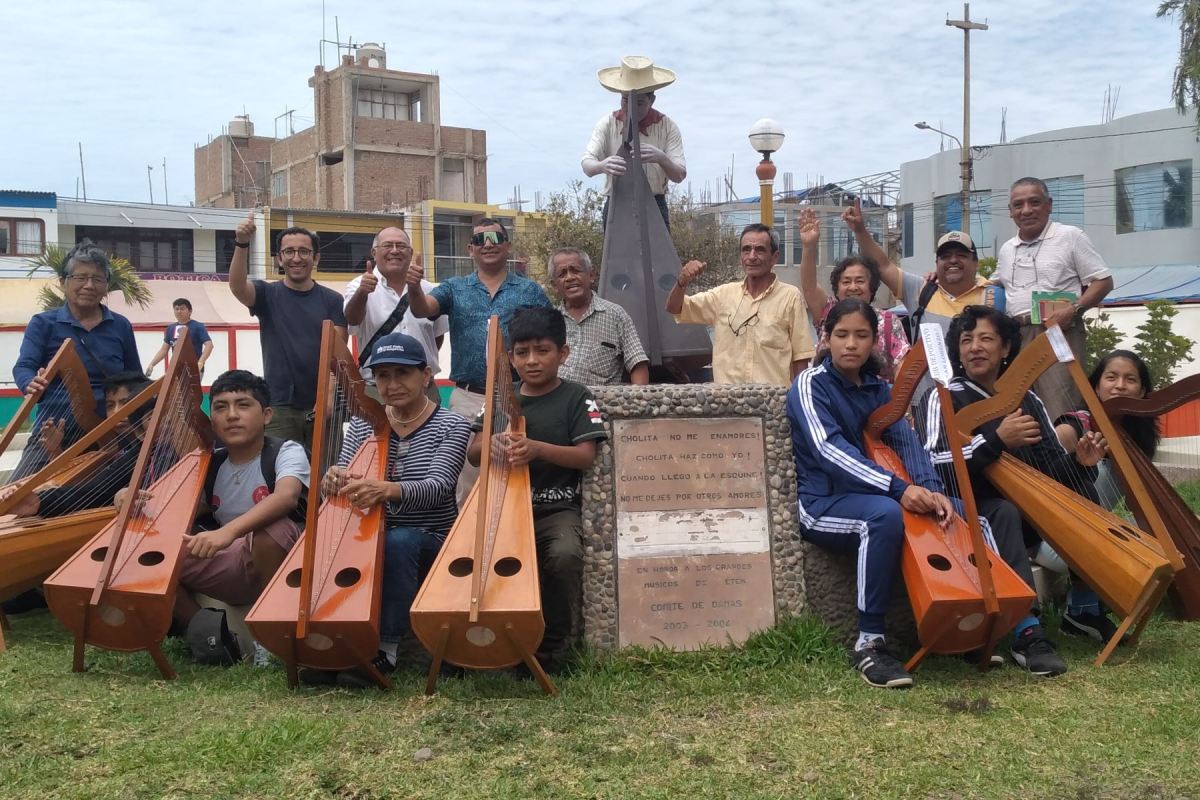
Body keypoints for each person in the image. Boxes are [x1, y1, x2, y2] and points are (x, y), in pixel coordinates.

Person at [919, 305, 1103, 668]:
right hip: (965, 512)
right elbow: (935, 466)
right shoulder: (942, 398)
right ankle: (1027, 630)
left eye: (986, 339)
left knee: (1081, 495)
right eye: (966, 340)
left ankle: (1085, 607)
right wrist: (996, 439)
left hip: (1024, 511)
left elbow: (1052, 468)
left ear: (1006, 349)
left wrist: (1080, 464)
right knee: (1003, 511)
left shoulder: (1027, 400)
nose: (974, 347)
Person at [786, 298, 956, 689]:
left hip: (879, 496)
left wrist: (931, 490)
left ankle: (990, 623)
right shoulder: (810, 385)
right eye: (841, 334)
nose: (851, 344)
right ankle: (869, 643)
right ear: (825, 338)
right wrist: (898, 489)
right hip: (823, 504)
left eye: (861, 335)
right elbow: (828, 451)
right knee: (882, 516)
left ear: (874, 342)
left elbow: (907, 442)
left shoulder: (881, 391)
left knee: (963, 511)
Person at [302, 333, 471, 688]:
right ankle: (334, 641)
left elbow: (437, 488)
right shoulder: (364, 424)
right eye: (382, 376)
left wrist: (386, 490)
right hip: (368, 533)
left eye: (402, 373)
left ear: (425, 376)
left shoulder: (452, 425)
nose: (391, 385)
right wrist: (333, 480)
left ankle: (386, 651)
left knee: (399, 541)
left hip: (431, 539)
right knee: (336, 540)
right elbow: (346, 476)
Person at [466, 307, 607, 672]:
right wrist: (492, 441)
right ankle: (490, 644)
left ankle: (552, 649)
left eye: (543, 351)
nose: (532, 361)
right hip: (503, 507)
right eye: (522, 352)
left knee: (563, 555)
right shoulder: (501, 395)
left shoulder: (576, 396)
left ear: (563, 354)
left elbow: (584, 456)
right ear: (510, 357)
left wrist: (538, 449)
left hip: (556, 510)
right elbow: (473, 453)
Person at [406, 218, 551, 502]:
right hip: (468, 396)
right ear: (470, 250)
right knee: (468, 482)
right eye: (479, 240)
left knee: (518, 475)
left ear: (507, 246)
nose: (487, 244)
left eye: (495, 239)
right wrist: (413, 287)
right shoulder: (453, 288)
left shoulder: (530, 291)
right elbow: (423, 309)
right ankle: (468, 544)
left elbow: (547, 337)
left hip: (519, 396)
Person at [169, 370, 309, 663]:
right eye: (221, 407)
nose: (232, 415)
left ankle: (272, 638)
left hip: (287, 560)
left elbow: (286, 497)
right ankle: (212, 637)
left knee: (272, 531)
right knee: (161, 554)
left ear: (267, 415)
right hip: (231, 560)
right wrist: (130, 497)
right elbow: (179, 509)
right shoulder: (212, 463)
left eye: (243, 405)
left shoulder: (286, 451)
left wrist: (227, 532)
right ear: (213, 419)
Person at [12, 239, 141, 479]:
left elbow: (135, 377)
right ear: (63, 282)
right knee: (16, 498)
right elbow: (24, 366)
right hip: (53, 431)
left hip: (109, 433)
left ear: (106, 286)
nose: (89, 285)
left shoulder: (120, 325)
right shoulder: (43, 323)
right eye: (80, 278)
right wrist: (29, 382)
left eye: (98, 279)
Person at [1053, 350, 1158, 643]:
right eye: (1111, 377)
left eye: (1130, 379)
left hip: (1098, 529)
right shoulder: (1072, 427)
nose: (1120, 385)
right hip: (1056, 535)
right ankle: (1083, 610)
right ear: (1096, 387)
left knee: (1160, 534)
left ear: (1143, 391)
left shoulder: (1136, 438)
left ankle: (1085, 609)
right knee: (1131, 540)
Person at [994, 177, 1113, 420]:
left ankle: (1067, 457)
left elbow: (1103, 282)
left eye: (1034, 202)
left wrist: (1075, 309)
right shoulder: (1007, 248)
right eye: (1018, 205)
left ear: (1049, 205)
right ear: (1010, 211)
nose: (1026, 210)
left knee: (1060, 407)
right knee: (1019, 410)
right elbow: (993, 283)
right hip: (1016, 335)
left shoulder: (1070, 236)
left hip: (1058, 332)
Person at [227, 211, 347, 448]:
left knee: (329, 476)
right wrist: (242, 243)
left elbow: (337, 356)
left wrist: (329, 396)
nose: (296, 258)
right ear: (279, 259)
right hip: (279, 405)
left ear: (316, 258)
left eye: (304, 251)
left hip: (323, 404)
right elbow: (238, 287)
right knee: (283, 474)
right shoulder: (267, 294)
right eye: (289, 252)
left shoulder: (333, 300)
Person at [666, 223, 813, 385]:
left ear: (774, 257)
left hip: (773, 404)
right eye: (746, 249)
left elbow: (801, 359)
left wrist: (799, 402)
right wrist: (682, 281)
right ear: (740, 256)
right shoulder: (723, 295)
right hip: (727, 402)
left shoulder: (790, 297)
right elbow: (674, 308)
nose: (752, 256)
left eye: (760, 250)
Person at [841, 199, 1005, 337]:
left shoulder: (995, 296)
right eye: (945, 256)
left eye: (961, 255)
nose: (953, 260)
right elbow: (882, 265)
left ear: (975, 262)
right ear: (936, 263)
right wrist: (860, 230)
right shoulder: (921, 290)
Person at [4, 371, 152, 519]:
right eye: (110, 405)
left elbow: (100, 489)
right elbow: (94, 488)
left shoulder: (143, 448)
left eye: (126, 403)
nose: (117, 412)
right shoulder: (120, 447)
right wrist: (55, 451)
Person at [796, 207, 909, 380]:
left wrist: (899, 404)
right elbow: (809, 287)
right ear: (837, 289)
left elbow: (902, 366)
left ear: (872, 287)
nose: (853, 287)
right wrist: (809, 246)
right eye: (846, 282)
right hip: (829, 400)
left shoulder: (888, 322)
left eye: (860, 281)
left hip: (875, 402)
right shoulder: (828, 313)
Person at [343, 226, 447, 404]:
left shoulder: (429, 289)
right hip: (377, 390)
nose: (394, 251)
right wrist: (362, 293)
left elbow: (437, 337)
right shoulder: (358, 286)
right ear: (374, 253)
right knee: (376, 433)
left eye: (401, 246)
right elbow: (352, 319)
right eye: (387, 245)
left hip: (424, 388)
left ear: (411, 252)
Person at [582, 56, 685, 228]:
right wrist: (602, 165)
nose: (630, 108)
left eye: (639, 103)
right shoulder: (607, 123)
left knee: (660, 254)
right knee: (615, 255)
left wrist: (661, 158)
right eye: (625, 100)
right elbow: (587, 165)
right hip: (617, 203)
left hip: (654, 202)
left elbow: (679, 174)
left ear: (652, 101)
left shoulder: (667, 126)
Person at [550, 247, 649, 386]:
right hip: (559, 402)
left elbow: (637, 363)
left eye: (576, 270)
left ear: (591, 275)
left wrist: (638, 402)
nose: (570, 277)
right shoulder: (549, 320)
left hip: (601, 403)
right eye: (562, 274)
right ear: (554, 285)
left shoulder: (615, 315)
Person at [145, 298, 213, 377]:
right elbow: (164, 349)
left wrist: (201, 362)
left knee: (189, 389)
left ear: (190, 311)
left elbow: (209, 345)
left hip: (194, 368)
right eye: (176, 309)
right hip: (176, 368)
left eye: (182, 309)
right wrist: (152, 364)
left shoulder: (198, 326)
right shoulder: (171, 328)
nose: (179, 311)